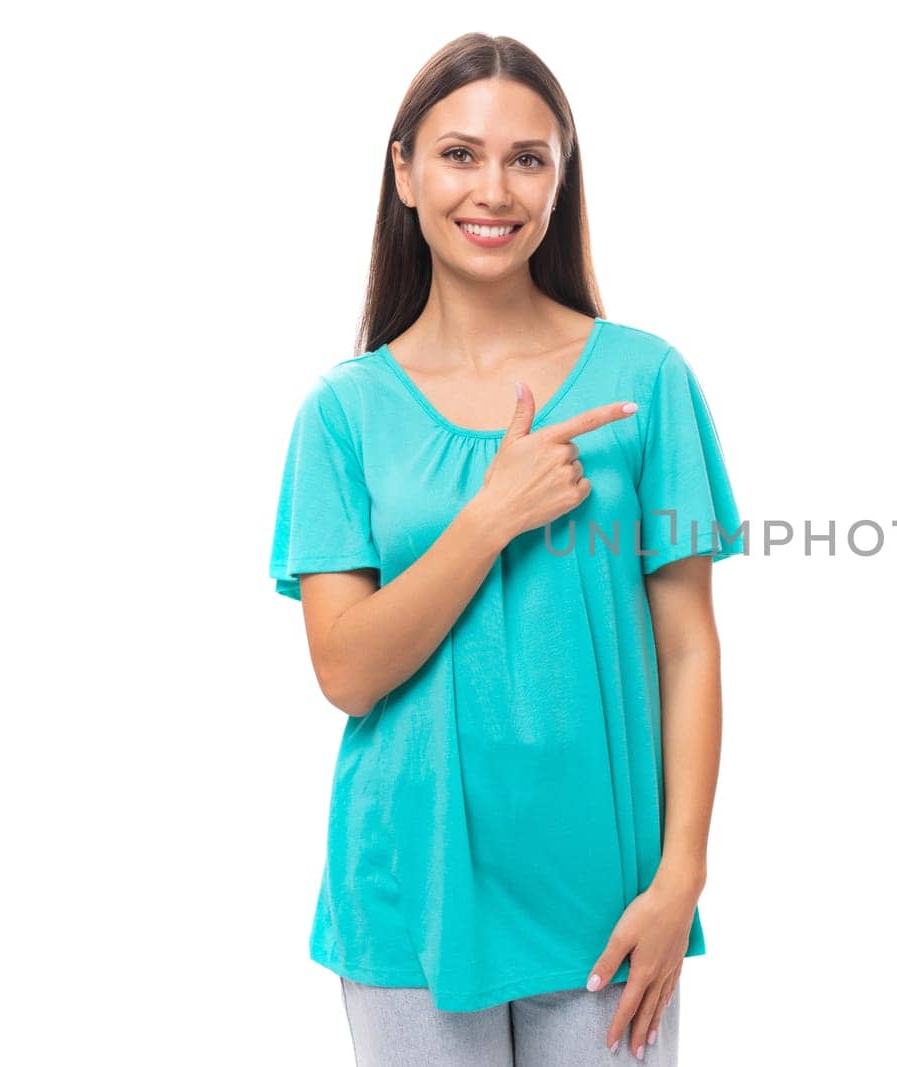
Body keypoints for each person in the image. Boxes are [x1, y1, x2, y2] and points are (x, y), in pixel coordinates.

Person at [267, 32, 746, 1065]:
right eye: (459, 154)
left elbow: (687, 650)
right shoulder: (344, 414)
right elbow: (347, 670)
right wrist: (489, 516)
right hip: (409, 899)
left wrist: (680, 879)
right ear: (403, 171)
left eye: (528, 157)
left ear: (562, 177)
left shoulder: (646, 380)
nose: (494, 188)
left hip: (608, 899)